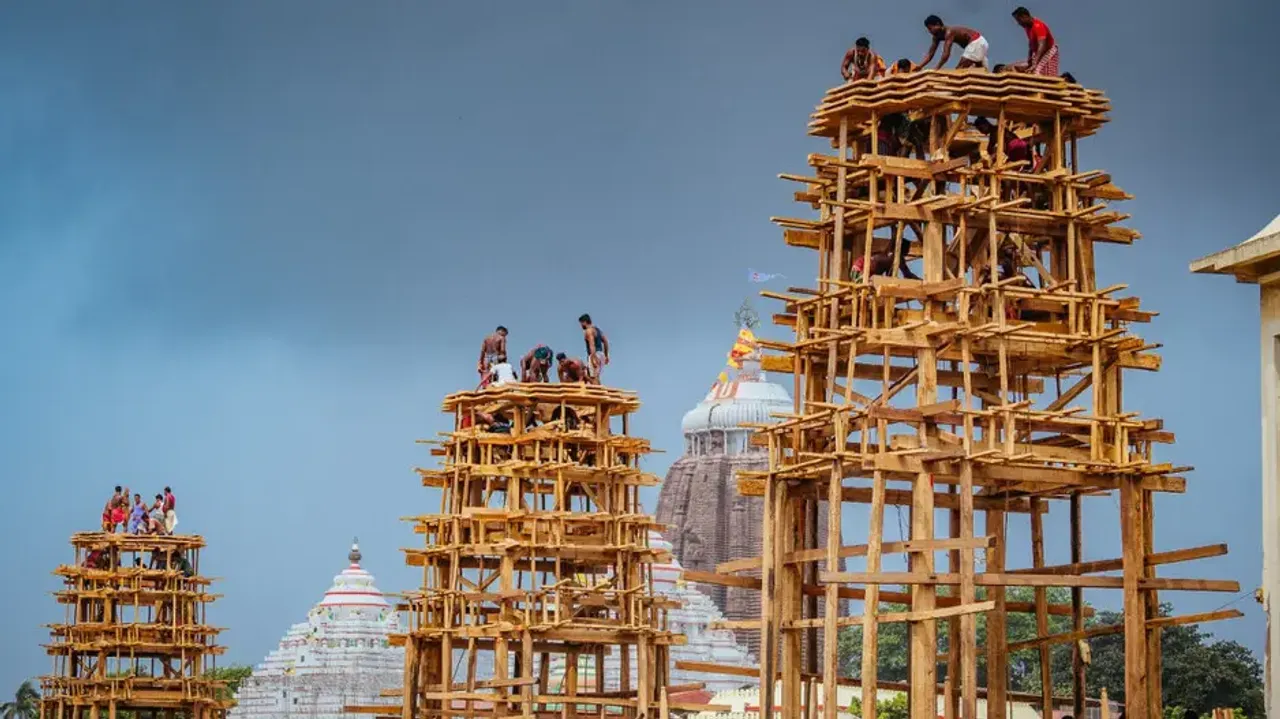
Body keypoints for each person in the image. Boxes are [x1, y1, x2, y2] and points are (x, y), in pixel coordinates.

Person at [920, 15, 989, 70]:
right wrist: (919, 66)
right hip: (978, 45)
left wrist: (936, 68)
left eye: (930, 28)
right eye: (928, 29)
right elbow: (930, 54)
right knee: (980, 71)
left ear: (938, 24)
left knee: (960, 69)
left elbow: (946, 54)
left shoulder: (949, 32)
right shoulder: (936, 37)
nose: (929, 31)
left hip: (977, 42)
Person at [1011, 7, 1059, 76]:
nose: (1019, 23)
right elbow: (1031, 43)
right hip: (1038, 52)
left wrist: (1035, 63)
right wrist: (1029, 59)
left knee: (1037, 71)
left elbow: (1042, 45)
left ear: (1025, 16)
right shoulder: (1027, 28)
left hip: (1048, 51)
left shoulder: (1038, 26)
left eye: (1019, 20)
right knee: (1026, 68)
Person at [578, 314, 609, 382]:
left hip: (594, 354)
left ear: (584, 322)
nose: (581, 326)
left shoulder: (588, 331)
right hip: (601, 355)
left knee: (594, 378)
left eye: (581, 323)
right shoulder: (597, 330)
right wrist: (606, 356)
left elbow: (592, 344)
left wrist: (593, 358)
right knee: (596, 377)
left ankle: (597, 391)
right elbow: (606, 342)